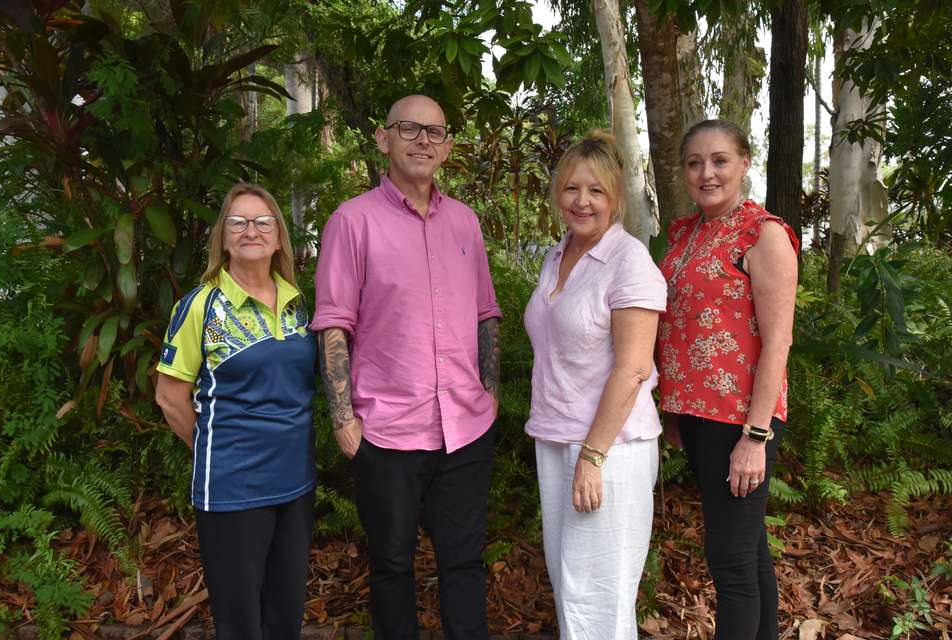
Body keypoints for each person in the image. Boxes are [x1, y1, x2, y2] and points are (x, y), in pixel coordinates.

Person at [311, 94, 501, 640]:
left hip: (465, 430)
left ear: (447, 146)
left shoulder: (465, 222)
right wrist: (343, 416)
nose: (423, 141)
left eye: (435, 132)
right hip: (388, 431)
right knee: (392, 567)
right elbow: (333, 323)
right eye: (410, 129)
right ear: (382, 138)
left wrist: (490, 393)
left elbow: (487, 312)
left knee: (463, 565)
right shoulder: (352, 222)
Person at [154, 183, 317, 640]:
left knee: (285, 615)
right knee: (241, 622)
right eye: (238, 222)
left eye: (263, 221)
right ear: (223, 239)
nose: (252, 230)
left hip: (296, 482)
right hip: (233, 487)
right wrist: (216, 449)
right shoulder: (201, 306)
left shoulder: (296, 301)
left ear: (280, 236)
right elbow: (170, 399)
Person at [657, 119, 799, 640]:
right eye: (695, 162)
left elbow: (778, 343)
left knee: (731, 561)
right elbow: (680, 324)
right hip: (696, 417)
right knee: (749, 551)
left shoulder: (763, 235)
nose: (706, 172)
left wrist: (755, 436)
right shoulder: (685, 233)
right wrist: (674, 409)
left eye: (719, 160)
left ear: (744, 163)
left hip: (739, 420)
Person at [523, 130, 667, 640]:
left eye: (596, 192)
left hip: (610, 448)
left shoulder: (630, 262)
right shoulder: (556, 254)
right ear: (557, 194)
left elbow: (632, 369)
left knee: (600, 595)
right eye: (571, 189)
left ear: (616, 198)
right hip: (556, 438)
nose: (582, 202)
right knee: (569, 584)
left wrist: (593, 455)